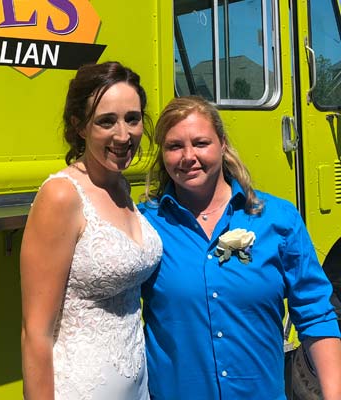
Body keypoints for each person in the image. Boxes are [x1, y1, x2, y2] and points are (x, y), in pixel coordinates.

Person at [139, 95, 341, 400]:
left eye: (201, 143)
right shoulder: (146, 226)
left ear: (222, 143)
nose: (188, 156)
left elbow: (315, 314)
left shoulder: (276, 219)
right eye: (174, 146)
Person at [20, 61, 162, 400]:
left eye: (133, 118)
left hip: (137, 386)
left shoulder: (122, 187)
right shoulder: (62, 195)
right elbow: (35, 333)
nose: (124, 135)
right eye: (106, 122)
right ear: (79, 127)